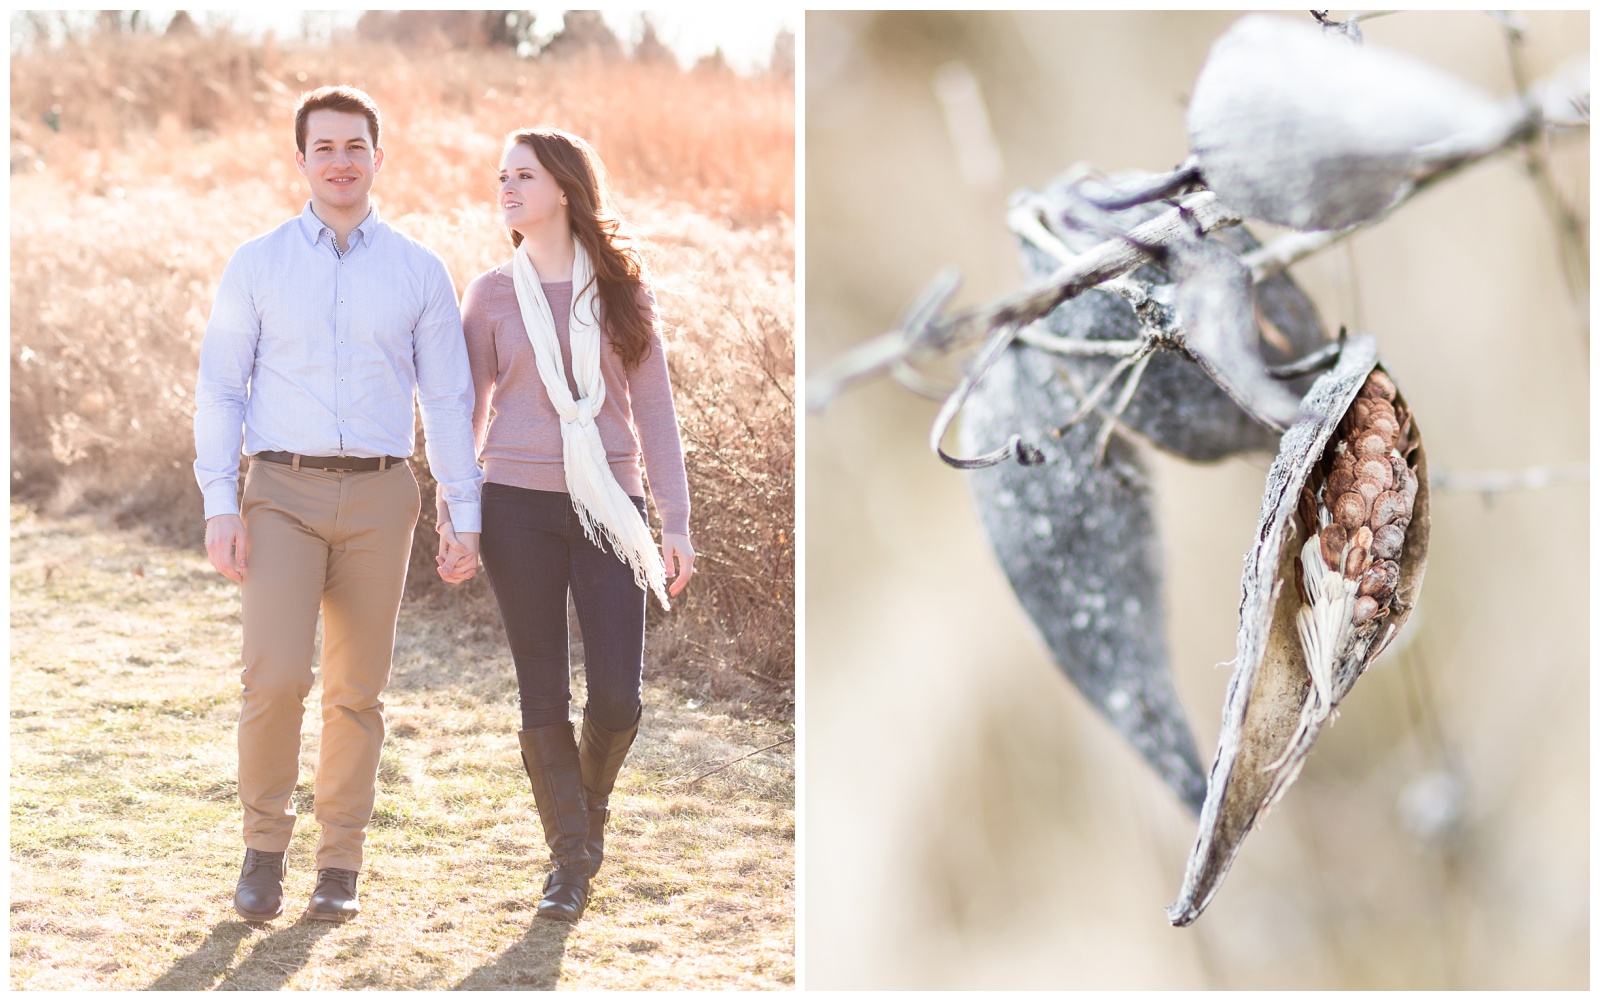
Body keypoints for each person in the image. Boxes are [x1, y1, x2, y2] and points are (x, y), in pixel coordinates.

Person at [194, 85, 483, 924]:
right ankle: (262, 851)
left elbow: (448, 401)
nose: (341, 161)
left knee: (357, 687)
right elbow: (219, 387)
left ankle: (339, 865)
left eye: (355, 146)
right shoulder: (257, 263)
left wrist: (460, 512)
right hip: (278, 490)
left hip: (382, 496)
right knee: (277, 674)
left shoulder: (420, 271)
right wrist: (221, 502)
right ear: (301, 162)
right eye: (324, 147)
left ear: (378, 158)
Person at [435, 126, 694, 922]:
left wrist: (675, 523)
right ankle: (570, 862)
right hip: (516, 506)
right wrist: (458, 516)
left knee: (618, 696)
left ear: (565, 190)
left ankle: (586, 809)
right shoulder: (490, 295)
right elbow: (460, 414)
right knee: (541, 690)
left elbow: (655, 416)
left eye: (524, 175)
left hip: (612, 506)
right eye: (502, 175)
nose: (506, 188)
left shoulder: (622, 292)